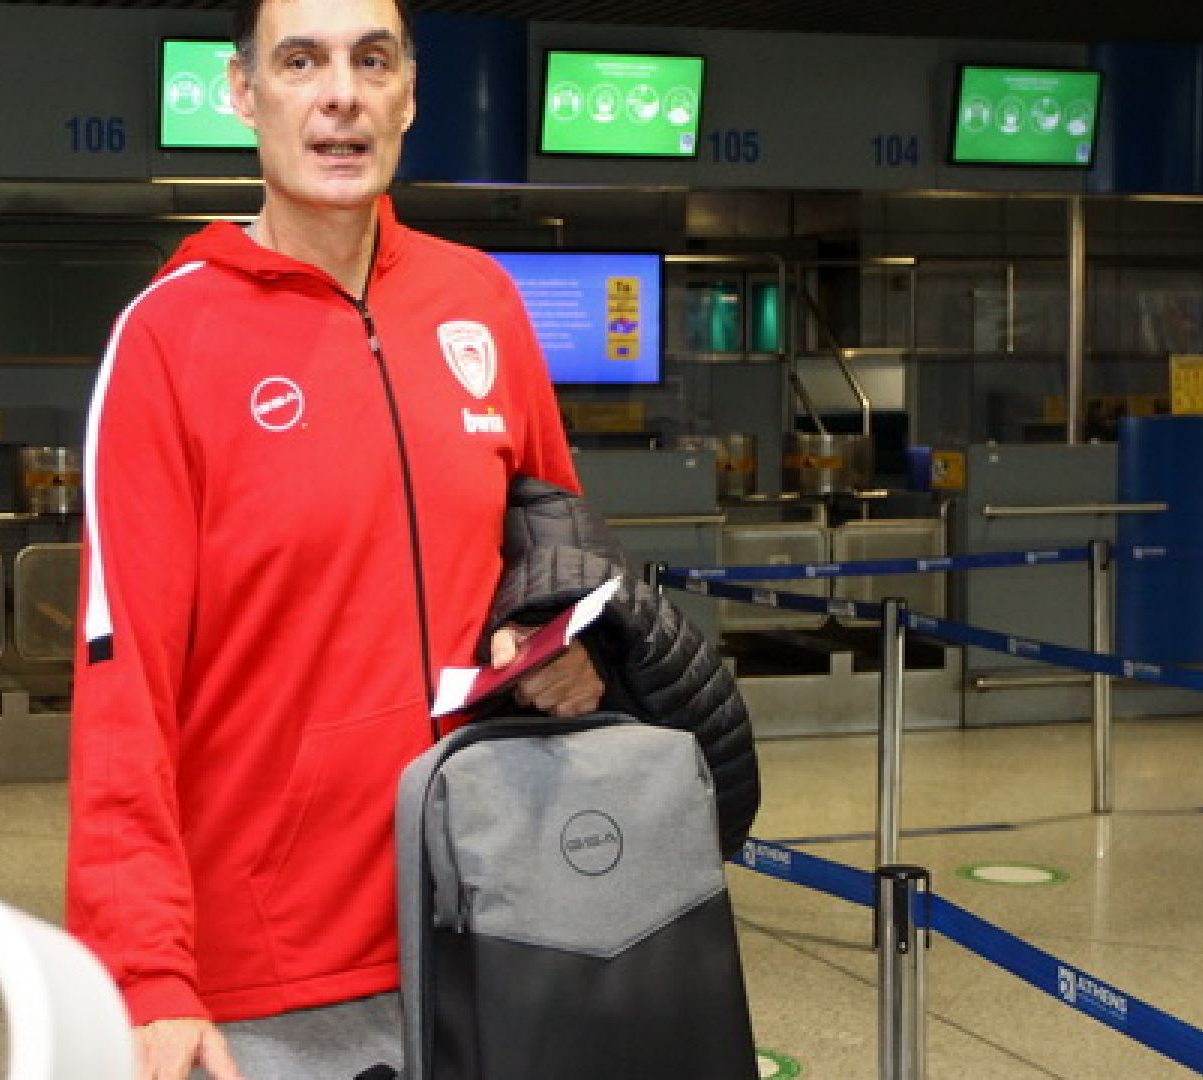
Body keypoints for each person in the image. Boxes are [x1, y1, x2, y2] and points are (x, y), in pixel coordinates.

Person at [68, 2, 756, 1076]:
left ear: (409, 94)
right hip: (278, 971)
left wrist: (569, 646)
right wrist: (145, 970)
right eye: (303, 61)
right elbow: (124, 685)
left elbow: (558, 553)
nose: (340, 95)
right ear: (244, 92)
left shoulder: (479, 298)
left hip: (503, 914)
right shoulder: (168, 337)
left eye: (372, 60)